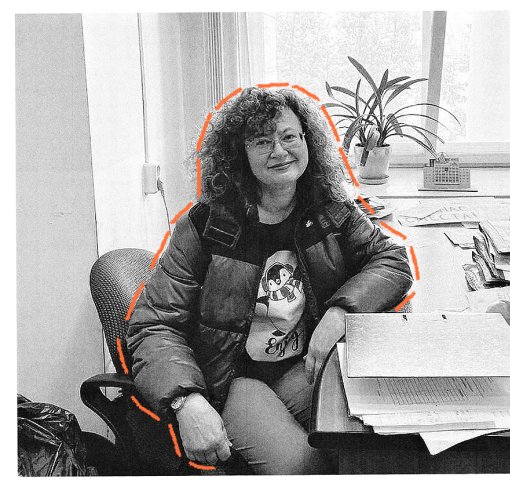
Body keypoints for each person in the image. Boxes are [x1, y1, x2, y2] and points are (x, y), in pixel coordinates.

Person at [126, 87, 413, 475]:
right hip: (231, 378)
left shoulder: (330, 210)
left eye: (289, 136)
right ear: (239, 155)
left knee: (376, 444)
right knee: (305, 470)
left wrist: (340, 313)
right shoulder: (205, 226)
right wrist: (186, 401)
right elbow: (153, 325)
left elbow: (391, 261)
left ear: (307, 141)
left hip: (302, 366)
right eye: (262, 142)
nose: (279, 151)